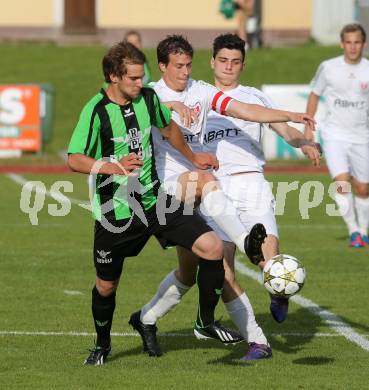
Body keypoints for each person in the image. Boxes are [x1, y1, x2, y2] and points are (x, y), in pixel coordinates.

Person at [128, 34, 319, 359]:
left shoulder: (201, 91)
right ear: (161, 66)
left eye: (188, 65)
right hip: (169, 190)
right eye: (178, 66)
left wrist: (290, 115)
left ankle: (146, 318)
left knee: (192, 271)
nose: (185, 72)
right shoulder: (149, 96)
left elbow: (243, 109)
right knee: (205, 182)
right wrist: (169, 106)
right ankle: (245, 242)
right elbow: (134, 116)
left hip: (202, 193)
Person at [67, 41, 244, 366]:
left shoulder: (147, 99)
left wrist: (194, 158)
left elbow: (168, 127)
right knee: (106, 285)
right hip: (115, 212)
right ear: (113, 76)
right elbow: (74, 158)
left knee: (213, 249)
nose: (140, 83)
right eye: (133, 78)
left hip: (155, 201)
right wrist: (112, 166)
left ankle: (205, 322)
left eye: (141, 77)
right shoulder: (96, 110)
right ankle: (102, 344)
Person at [305, 23, 369, 248]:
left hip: (362, 136)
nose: (352, 47)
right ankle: (354, 231)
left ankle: (363, 229)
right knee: (342, 183)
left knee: (363, 188)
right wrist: (308, 126)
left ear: (363, 44)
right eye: (348, 42)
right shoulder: (329, 67)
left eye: (357, 42)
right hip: (334, 135)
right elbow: (314, 94)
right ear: (342, 43)